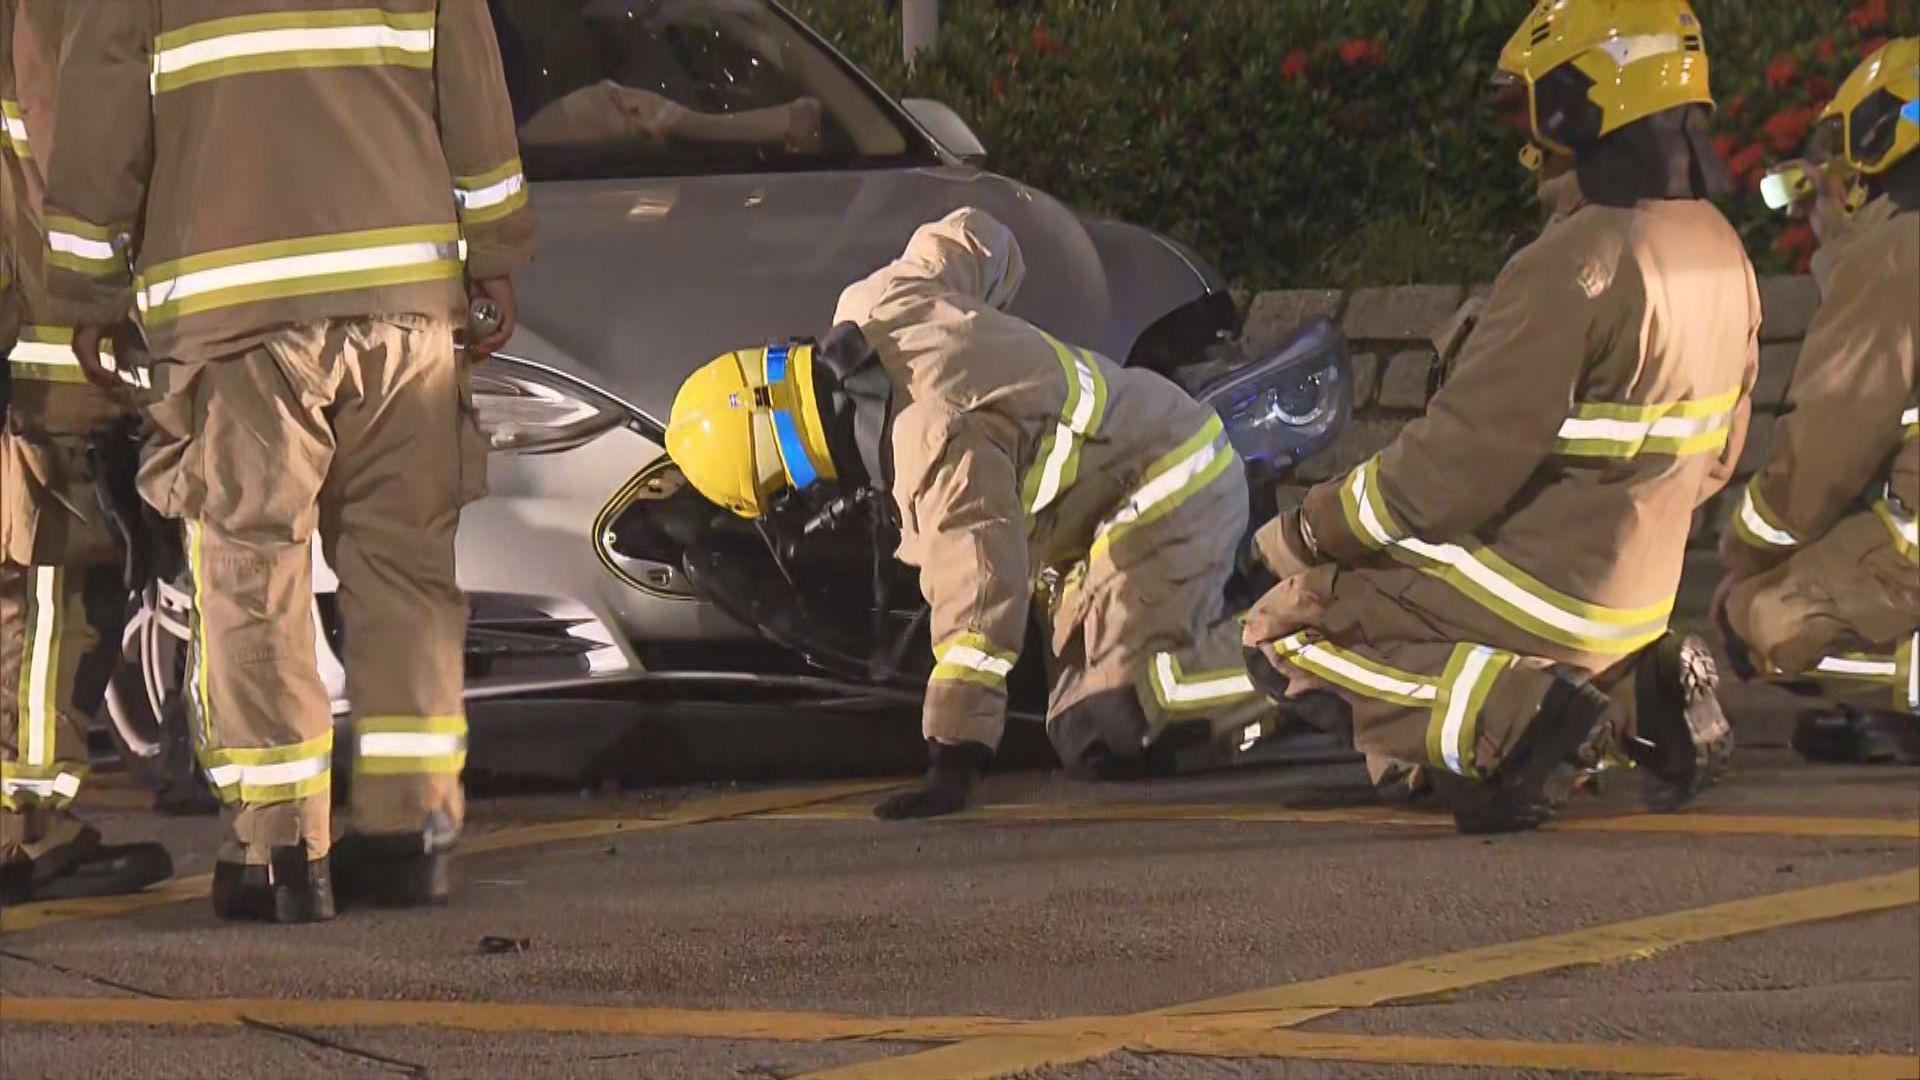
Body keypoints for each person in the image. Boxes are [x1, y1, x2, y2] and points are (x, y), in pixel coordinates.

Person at [46, 0, 535, 922]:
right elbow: (468, 76)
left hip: (238, 309)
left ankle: (279, 852)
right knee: (407, 568)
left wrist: (88, 288)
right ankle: (411, 831)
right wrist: (495, 253)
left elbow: (101, 108)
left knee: (252, 564)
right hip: (403, 293)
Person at [1242, 0, 1753, 834]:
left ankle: (1512, 720)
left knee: (1288, 626)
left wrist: (1302, 532)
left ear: (1580, 100)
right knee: (1457, 639)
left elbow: (1447, 474)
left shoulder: (1574, 262)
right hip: (1638, 599)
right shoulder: (1723, 248)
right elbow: (1723, 457)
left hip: (1533, 597)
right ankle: (1635, 693)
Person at [666, 207, 1274, 819]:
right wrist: (986, 337)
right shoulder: (874, 303)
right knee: (1072, 730)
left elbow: (980, 600)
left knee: (1114, 721)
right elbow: (980, 235)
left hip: (1167, 488)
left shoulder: (935, 448)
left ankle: (1304, 652)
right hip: (1115, 490)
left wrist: (952, 757)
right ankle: (1229, 600)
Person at [0, 0, 172, 903]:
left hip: (34, 335)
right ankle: (27, 829)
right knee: (52, 588)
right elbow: (77, 160)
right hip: (53, 342)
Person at [1716, 38, 1919, 765]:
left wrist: (1743, 555)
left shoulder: (1895, 255)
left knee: (1763, 619)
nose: (1814, 207)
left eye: (1821, 182)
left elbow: (1816, 469)